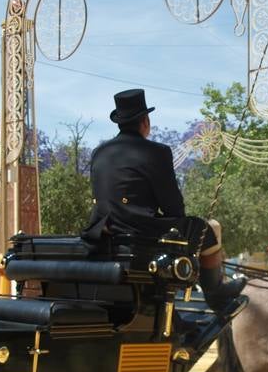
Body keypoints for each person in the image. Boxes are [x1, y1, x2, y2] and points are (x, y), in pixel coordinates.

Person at [84, 88, 245, 316]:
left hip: (104, 231)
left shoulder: (99, 152)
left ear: (120, 123)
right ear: (145, 121)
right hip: (139, 232)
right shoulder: (156, 152)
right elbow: (173, 207)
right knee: (206, 229)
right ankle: (216, 293)